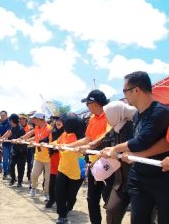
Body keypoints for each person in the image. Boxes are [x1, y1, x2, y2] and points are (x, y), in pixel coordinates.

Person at [101, 71, 169, 224]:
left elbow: (141, 142)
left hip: (164, 179)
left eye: (125, 91)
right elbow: (166, 141)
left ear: (136, 90)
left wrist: (116, 149)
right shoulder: (136, 115)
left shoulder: (161, 112)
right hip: (139, 178)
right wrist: (133, 155)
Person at [66, 89, 113, 224]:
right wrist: (70, 146)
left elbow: (107, 136)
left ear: (95, 104)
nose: (87, 106)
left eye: (88, 103)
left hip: (108, 164)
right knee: (92, 199)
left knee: (110, 201)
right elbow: (87, 139)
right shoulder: (92, 118)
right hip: (93, 165)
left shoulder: (110, 115)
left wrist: (89, 146)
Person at [97, 101, 136, 224]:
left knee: (141, 218)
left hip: (139, 182)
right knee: (112, 210)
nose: (106, 119)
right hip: (120, 181)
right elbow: (105, 143)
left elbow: (139, 146)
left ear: (116, 113)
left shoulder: (135, 126)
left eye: (108, 115)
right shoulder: (115, 129)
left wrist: (124, 152)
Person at [53, 113, 86, 224]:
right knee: (60, 192)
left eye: (65, 121)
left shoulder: (80, 137)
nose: (63, 123)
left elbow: (81, 146)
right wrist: (47, 144)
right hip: (63, 168)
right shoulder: (64, 134)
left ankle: (70, 203)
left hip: (76, 171)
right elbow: (57, 142)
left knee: (71, 195)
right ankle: (62, 216)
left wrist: (66, 147)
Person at [21, 112, 52, 198]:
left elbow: (50, 141)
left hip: (48, 158)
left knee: (47, 178)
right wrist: (22, 139)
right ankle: (33, 188)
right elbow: (33, 134)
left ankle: (46, 193)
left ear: (39, 119)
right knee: (33, 175)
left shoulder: (49, 128)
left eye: (34, 119)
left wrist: (36, 142)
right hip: (38, 156)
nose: (32, 120)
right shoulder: (37, 127)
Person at [0, 114, 27, 187]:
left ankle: (20, 181)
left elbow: (22, 140)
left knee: (20, 167)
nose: (9, 121)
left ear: (12, 121)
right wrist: (3, 139)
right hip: (14, 150)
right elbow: (9, 134)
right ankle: (13, 179)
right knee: (11, 165)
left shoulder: (21, 129)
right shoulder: (13, 127)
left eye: (9, 120)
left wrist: (15, 141)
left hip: (22, 151)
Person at [44, 116, 64, 208]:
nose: (58, 122)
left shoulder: (67, 132)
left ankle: (64, 201)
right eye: (57, 120)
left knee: (61, 183)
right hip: (53, 158)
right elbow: (47, 139)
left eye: (61, 120)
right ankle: (52, 199)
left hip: (63, 159)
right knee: (52, 182)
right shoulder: (52, 131)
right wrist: (40, 141)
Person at [0, 111, 12, 180]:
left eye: (4, 115)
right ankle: (5, 173)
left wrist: (2, 138)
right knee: (5, 160)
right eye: (1, 115)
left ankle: (10, 173)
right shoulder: (1, 125)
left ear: (6, 115)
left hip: (11, 144)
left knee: (11, 160)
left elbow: (9, 132)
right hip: (5, 145)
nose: (2, 116)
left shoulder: (9, 123)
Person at [19, 114, 34, 183]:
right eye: (20, 119)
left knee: (29, 162)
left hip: (29, 148)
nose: (21, 120)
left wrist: (27, 140)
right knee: (21, 163)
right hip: (20, 148)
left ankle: (29, 176)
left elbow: (33, 137)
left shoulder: (30, 128)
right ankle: (20, 178)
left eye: (22, 118)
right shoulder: (18, 128)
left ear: (25, 119)